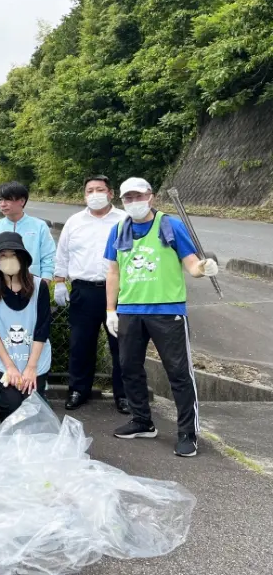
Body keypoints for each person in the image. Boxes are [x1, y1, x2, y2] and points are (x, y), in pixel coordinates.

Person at [105, 177, 218, 458]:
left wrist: (204, 268)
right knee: (129, 367)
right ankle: (142, 421)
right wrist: (110, 310)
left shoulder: (170, 224)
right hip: (130, 310)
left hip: (167, 310)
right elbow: (113, 271)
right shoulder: (118, 229)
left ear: (150, 197)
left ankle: (187, 434)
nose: (133, 202)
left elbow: (191, 264)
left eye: (138, 196)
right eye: (127, 198)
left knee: (179, 373)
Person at [54, 175, 129, 414]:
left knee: (122, 345)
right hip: (83, 291)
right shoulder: (74, 222)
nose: (94, 194)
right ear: (84, 195)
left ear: (111, 193)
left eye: (100, 189)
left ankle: (124, 395)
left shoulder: (125, 220)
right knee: (80, 344)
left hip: (120, 292)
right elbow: (62, 254)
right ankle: (78, 390)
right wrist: (59, 282)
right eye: (90, 190)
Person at [0, 232, 52, 421]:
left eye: (13, 254)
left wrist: (31, 367)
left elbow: (42, 329)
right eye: (3, 255)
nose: (8, 259)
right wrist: (10, 366)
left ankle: (35, 446)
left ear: (22, 257)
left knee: (33, 402)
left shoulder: (39, 286)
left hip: (35, 358)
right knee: (11, 402)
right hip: (4, 358)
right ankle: (8, 445)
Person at [0, 181, 56, 315]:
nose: (2, 204)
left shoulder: (39, 226)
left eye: (8, 199)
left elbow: (48, 258)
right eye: (0, 200)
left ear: (22, 201)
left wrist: (43, 287)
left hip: (31, 287)